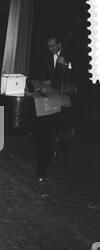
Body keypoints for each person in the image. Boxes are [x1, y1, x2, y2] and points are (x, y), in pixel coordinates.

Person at [32, 35, 73, 182]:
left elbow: (80, 73)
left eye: (53, 46)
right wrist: (44, 81)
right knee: (43, 133)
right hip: (51, 97)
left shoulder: (69, 56)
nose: (50, 49)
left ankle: (46, 166)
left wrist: (68, 64)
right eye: (48, 46)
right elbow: (43, 75)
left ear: (59, 45)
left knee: (50, 133)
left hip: (64, 100)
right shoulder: (47, 57)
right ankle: (42, 167)